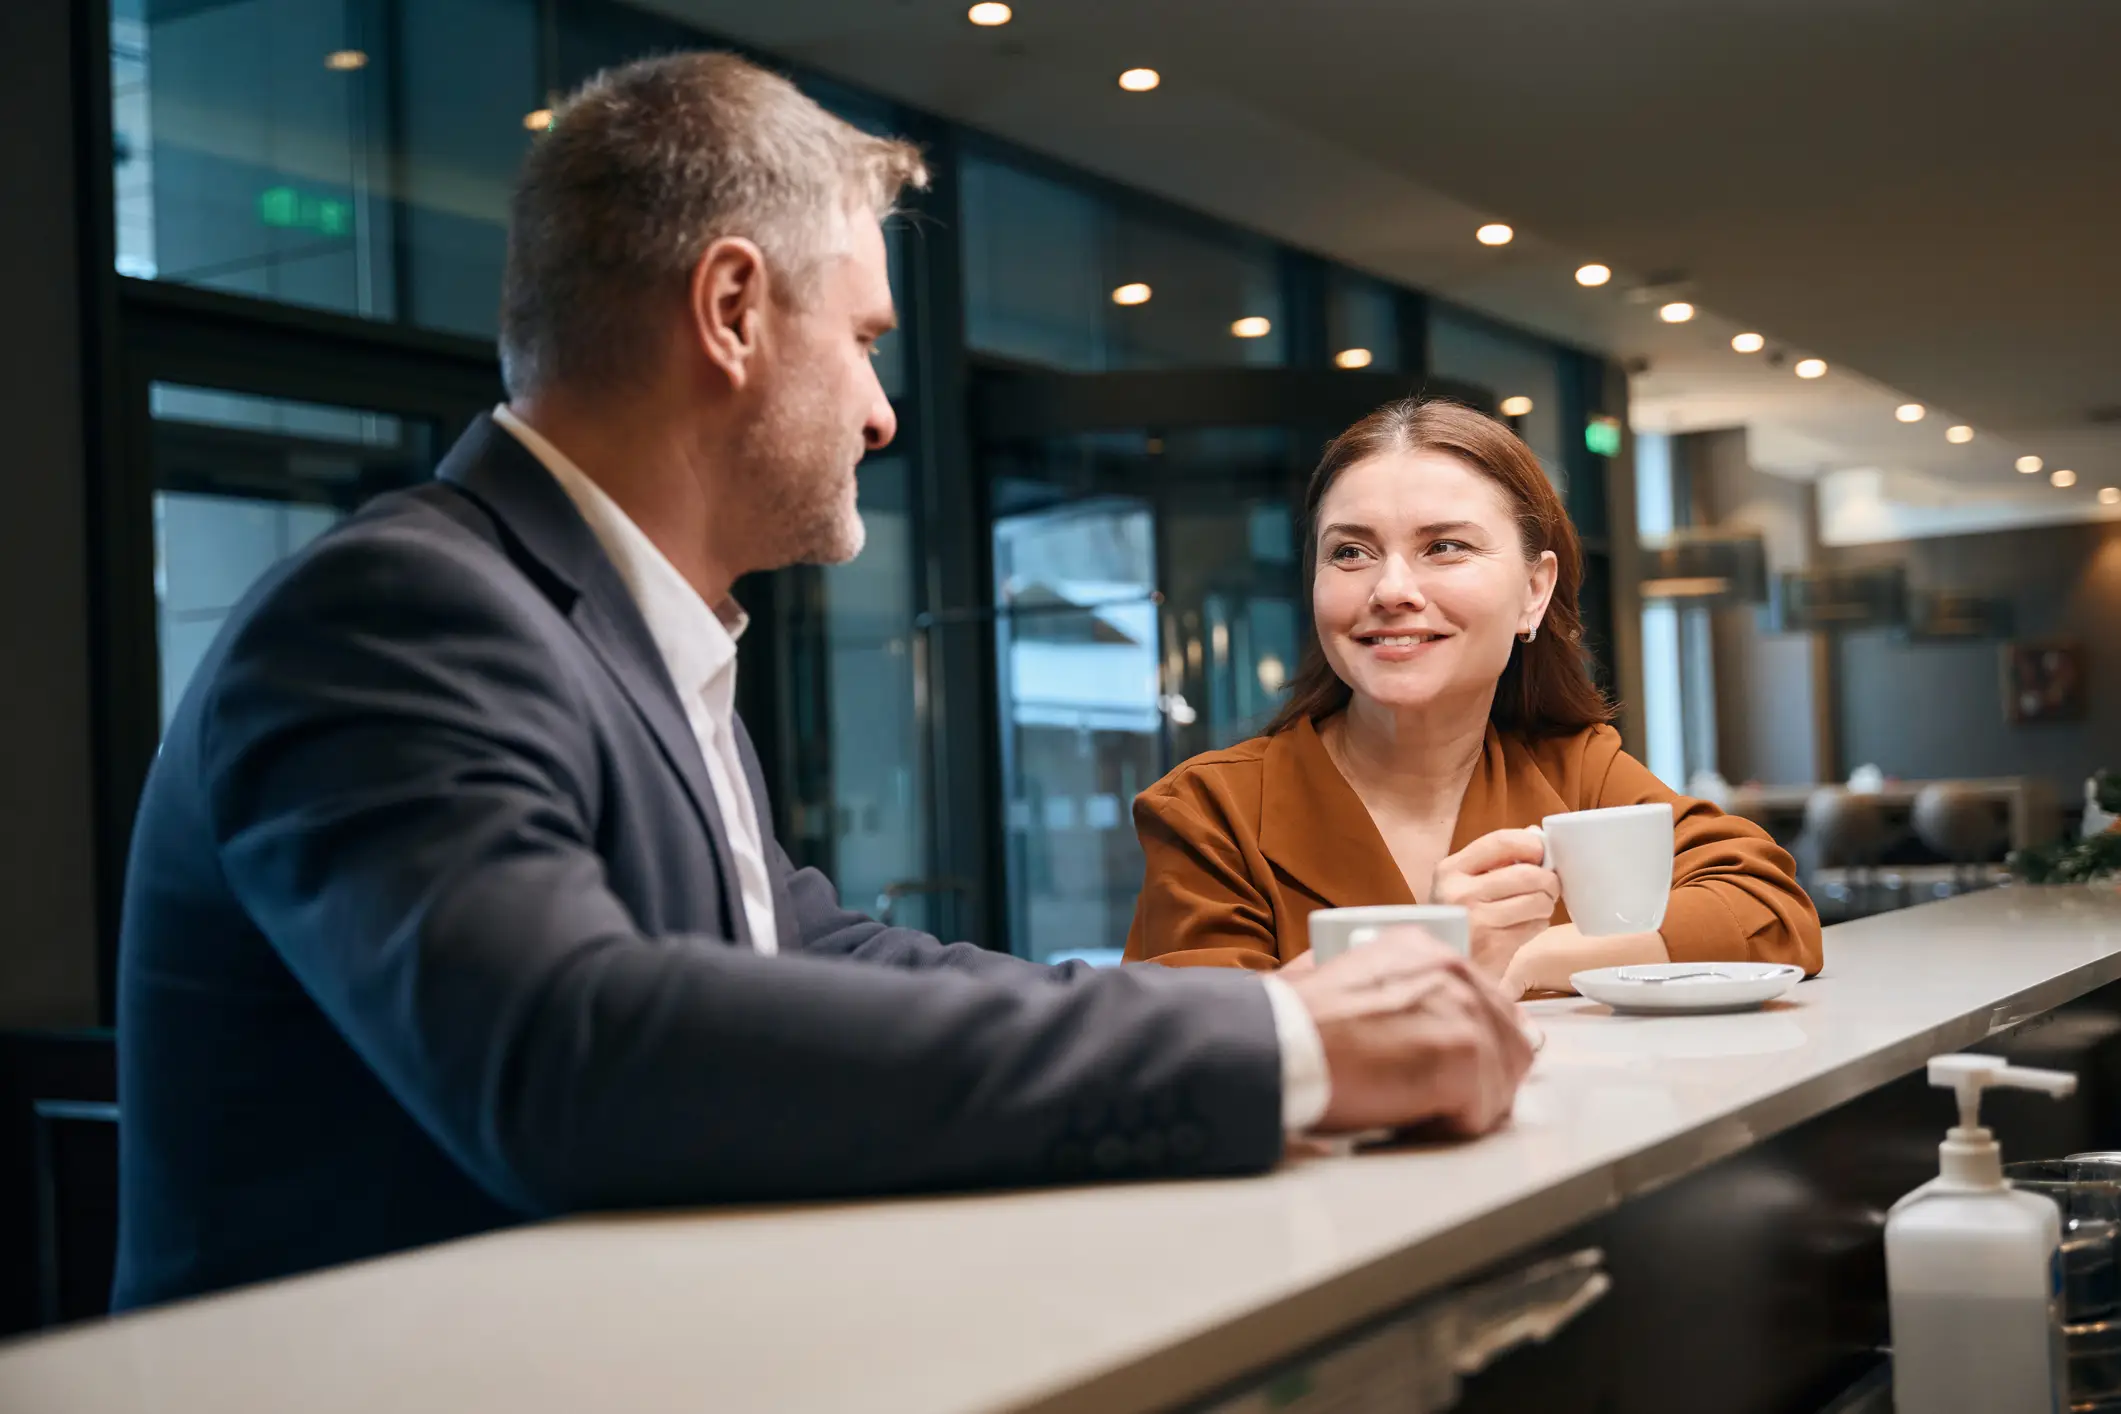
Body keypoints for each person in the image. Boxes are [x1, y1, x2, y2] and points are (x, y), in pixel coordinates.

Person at [110, 55, 1534, 1310]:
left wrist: (1232, 1012)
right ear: (731, 308)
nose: (882, 408)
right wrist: (1276, 1042)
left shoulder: (607, 624)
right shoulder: (399, 610)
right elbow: (571, 1047)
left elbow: (805, 948)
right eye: (861, 339)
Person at [1125, 399, 1823, 992]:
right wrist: (1442, 953)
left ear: (1533, 589)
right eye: (1348, 552)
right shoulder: (1211, 812)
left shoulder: (1575, 771)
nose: (1391, 589)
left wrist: (1533, 960)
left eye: (1445, 547)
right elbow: (1200, 1049)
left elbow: (1767, 910)